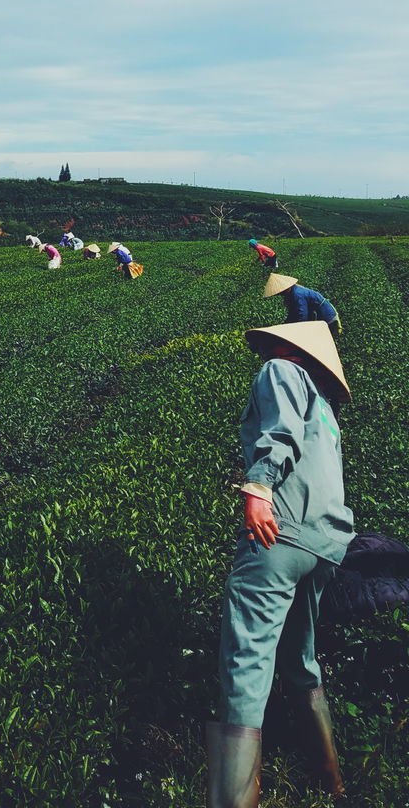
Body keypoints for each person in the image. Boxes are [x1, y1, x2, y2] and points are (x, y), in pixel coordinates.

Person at [207, 321, 354, 806]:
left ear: (289, 347)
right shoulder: (325, 405)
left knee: (245, 660)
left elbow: (280, 433)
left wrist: (259, 487)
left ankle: (233, 799)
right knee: (299, 656)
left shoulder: (280, 371)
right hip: (325, 543)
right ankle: (330, 781)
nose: (264, 348)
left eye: (272, 342)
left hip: (281, 531)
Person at [264, 273, 342, 339]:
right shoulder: (293, 293)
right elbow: (293, 314)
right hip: (319, 317)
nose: (279, 294)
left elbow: (302, 316)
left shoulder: (297, 294)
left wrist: (295, 331)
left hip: (328, 319)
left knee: (325, 342)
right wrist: (284, 326)